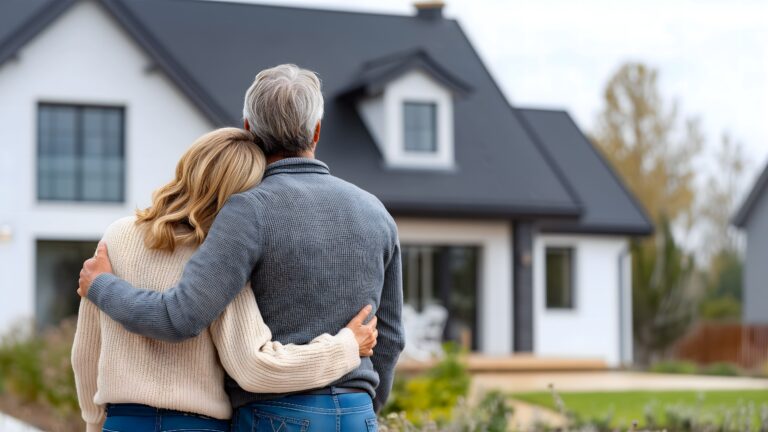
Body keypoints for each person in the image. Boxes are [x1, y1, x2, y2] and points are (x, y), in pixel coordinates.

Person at [78, 64, 405, 431]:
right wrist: (364, 403)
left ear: (248, 128)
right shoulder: (376, 212)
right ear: (316, 130)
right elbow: (391, 336)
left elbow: (182, 316)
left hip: (276, 414)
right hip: (356, 411)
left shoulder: (247, 210)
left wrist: (101, 286)